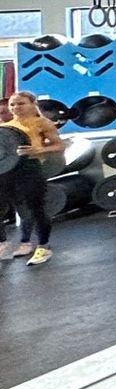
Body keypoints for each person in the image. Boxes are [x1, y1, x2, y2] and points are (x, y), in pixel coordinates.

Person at [2, 91, 65, 266]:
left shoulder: (42, 123)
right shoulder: (6, 126)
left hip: (30, 168)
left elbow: (58, 145)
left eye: (20, 103)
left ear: (32, 104)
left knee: (35, 209)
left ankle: (43, 247)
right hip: (7, 170)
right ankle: (9, 243)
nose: (15, 108)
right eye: (13, 104)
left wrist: (39, 150)